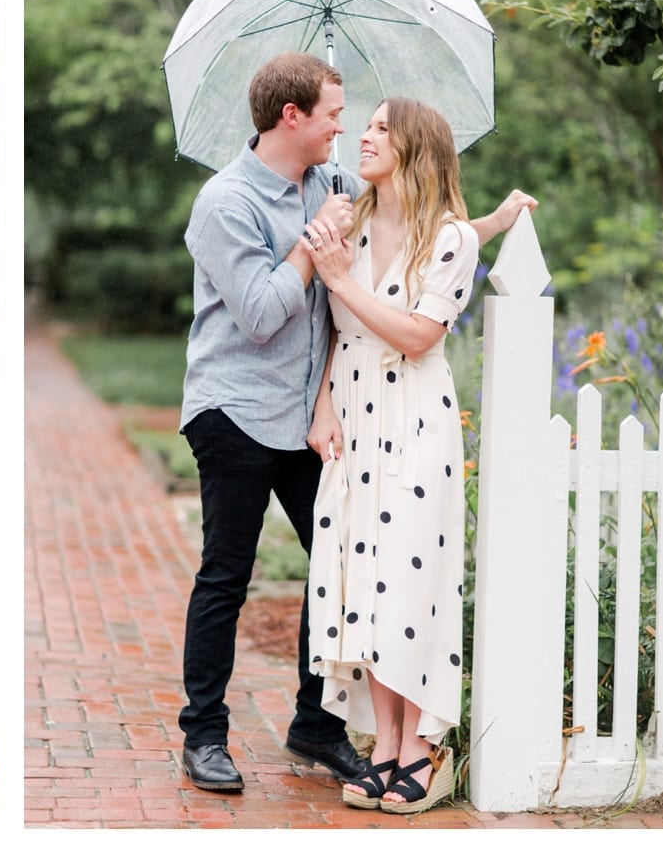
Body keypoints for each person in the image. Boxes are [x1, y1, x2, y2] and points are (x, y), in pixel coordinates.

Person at [176, 52, 534, 793]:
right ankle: (204, 735)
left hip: (319, 419)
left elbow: (425, 224)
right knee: (226, 575)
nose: (346, 127)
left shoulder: (335, 185)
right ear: (292, 117)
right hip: (237, 410)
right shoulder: (226, 203)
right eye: (337, 115)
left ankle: (317, 724)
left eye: (358, 119)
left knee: (340, 565)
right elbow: (266, 313)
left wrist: (494, 221)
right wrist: (316, 245)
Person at [301, 98, 482, 814]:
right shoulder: (348, 220)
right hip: (351, 415)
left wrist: (343, 279)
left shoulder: (452, 237)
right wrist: (321, 406)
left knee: (411, 577)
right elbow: (332, 329)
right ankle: (381, 740)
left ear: (415, 146)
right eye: (364, 126)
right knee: (364, 577)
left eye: (379, 128)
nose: (362, 137)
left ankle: (421, 745)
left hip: (415, 420)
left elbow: (417, 335)